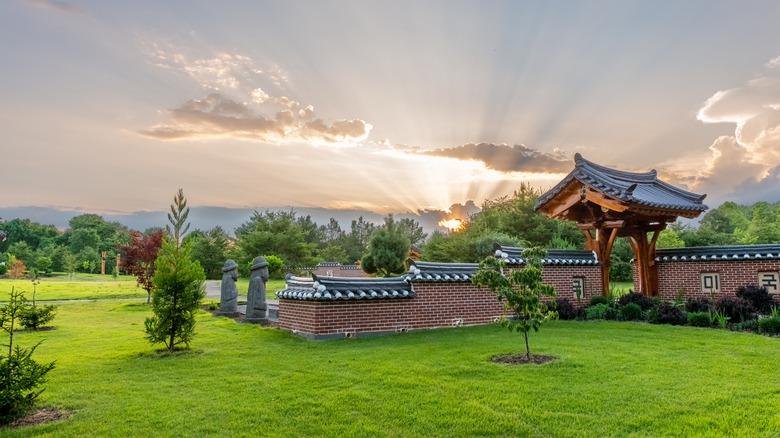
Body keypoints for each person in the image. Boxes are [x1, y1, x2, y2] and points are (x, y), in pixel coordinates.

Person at [245, 256, 269, 322]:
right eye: (266, 271)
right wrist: (265, 305)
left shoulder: (257, 279)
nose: (268, 274)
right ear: (261, 270)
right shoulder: (257, 280)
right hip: (255, 313)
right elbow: (256, 303)